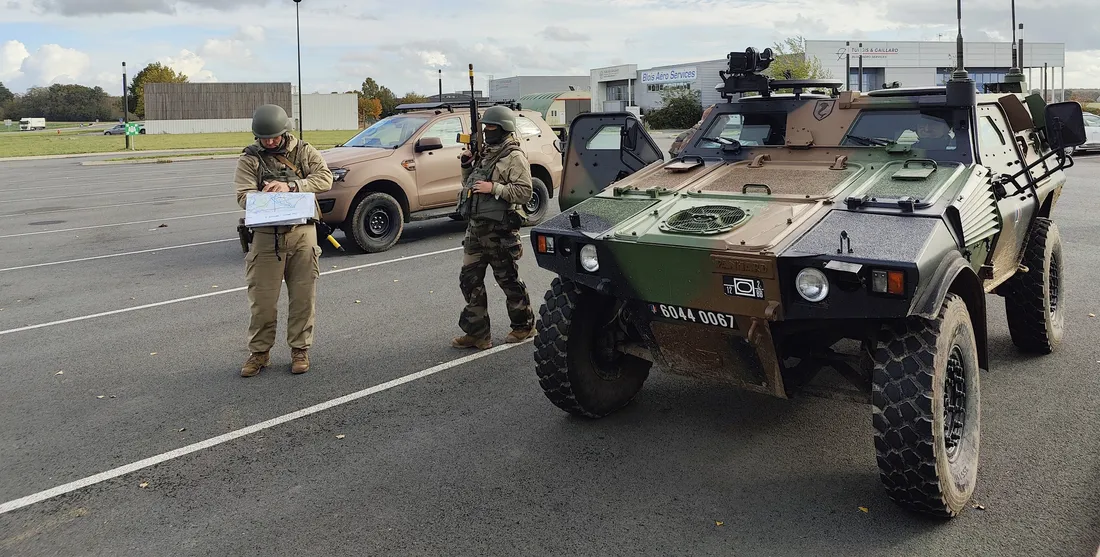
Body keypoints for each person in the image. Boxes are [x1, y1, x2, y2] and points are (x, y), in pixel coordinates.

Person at [234, 104, 333, 377]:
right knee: (262, 300)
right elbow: (243, 195)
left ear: (285, 132)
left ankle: (300, 349)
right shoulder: (250, 159)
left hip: (302, 233)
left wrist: (291, 186)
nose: (269, 142)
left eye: (274, 138)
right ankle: (260, 352)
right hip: (266, 237)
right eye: (264, 138)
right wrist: (268, 195)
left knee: (303, 297)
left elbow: (325, 178)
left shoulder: (303, 151)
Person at [452, 105, 535, 350]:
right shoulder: (485, 153)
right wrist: (467, 164)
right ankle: (478, 333)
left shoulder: (514, 156)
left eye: (491, 127)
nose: (487, 131)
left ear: (504, 128)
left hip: (500, 231)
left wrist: (495, 189)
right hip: (476, 229)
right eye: (485, 127)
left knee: (508, 280)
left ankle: (524, 326)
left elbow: (524, 192)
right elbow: (468, 185)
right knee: (469, 280)